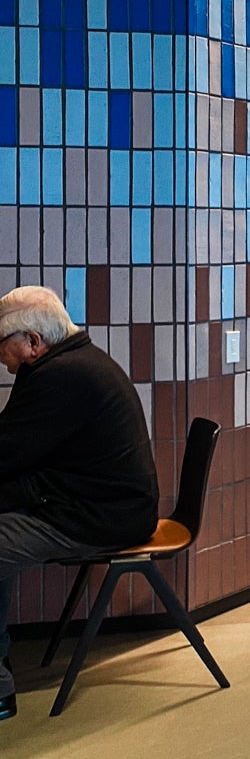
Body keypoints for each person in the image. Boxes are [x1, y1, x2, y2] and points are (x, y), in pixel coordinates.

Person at [0, 286, 160, 721]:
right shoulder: (74, 362)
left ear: (33, 341)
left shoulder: (61, 377)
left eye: (2, 344)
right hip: (93, 504)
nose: (1, 356)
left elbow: (7, 453)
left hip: (104, 517)